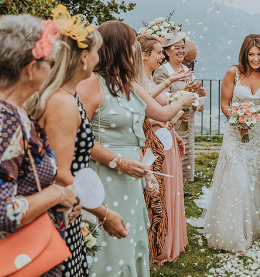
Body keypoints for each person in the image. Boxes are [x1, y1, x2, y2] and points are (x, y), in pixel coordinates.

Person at [0, 14, 78, 276]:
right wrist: (57, 194)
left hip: (24, 252)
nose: (51, 70)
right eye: (49, 62)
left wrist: (53, 200)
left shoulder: (6, 108)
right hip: (11, 259)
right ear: (29, 68)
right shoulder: (2, 119)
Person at [77, 21, 195, 277]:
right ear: (119, 47)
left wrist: (184, 100)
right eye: (132, 43)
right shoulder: (91, 84)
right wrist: (118, 162)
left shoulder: (128, 83)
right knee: (108, 246)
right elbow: (79, 137)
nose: (135, 49)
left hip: (133, 179)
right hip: (104, 177)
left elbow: (155, 117)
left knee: (133, 240)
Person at [27, 8, 131, 276]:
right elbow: (60, 175)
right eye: (97, 51)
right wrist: (104, 213)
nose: (99, 57)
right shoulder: (63, 102)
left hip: (66, 207)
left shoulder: (60, 96)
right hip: (59, 214)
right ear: (84, 57)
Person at [190, 34, 260, 254]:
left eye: (259, 54)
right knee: (239, 182)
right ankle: (235, 236)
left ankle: (257, 225)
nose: (255, 59)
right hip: (236, 136)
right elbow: (225, 104)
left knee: (259, 178)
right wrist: (236, 119)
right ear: (244, 54)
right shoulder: (233, 73)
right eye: (251, 54)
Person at [137, 34, 191, 264]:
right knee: (160, 192)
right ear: (144, 55)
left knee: (172, 190)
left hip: (167, 138)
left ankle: (172, 241)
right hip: (153, 143)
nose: (161, 56)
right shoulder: (137, 82)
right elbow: (141, 112)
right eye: (159, 52)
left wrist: (174, 133)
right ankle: (159, 245)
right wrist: (169, 84)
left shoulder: (149, 79)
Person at [153, 33, 203, 184]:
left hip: (188, 121)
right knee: (172, 156)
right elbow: (159, 98)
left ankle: (181, 187)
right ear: (167, 51)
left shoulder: (185, 69)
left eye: (183, 47)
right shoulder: (163, 71)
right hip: (172, 121)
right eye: (177, 48)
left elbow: (191, 94)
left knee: (186, 154)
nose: (181, 51)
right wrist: (183, 93)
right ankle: (171, 186)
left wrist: (199, 96)